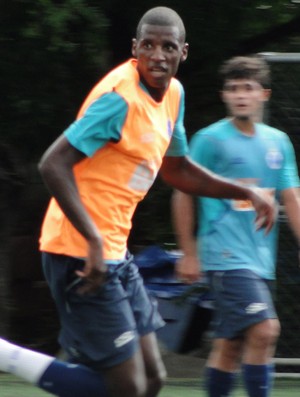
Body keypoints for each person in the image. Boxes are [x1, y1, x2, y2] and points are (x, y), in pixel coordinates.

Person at [0, 10, 275, 397]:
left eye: (168, 47)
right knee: (127, 388)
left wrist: (245, 191)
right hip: (77, 251)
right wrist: (93, 241)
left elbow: (177, 170)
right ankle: (5, 355)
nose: (157, 56)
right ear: (135, 49)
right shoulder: (119, 100)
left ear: (183, 52)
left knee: (152, 381)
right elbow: (53, 164)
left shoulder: (173, 94)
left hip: (114, 250)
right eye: (148, 45)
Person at [172, 55, 300, 397]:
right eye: (233, 89)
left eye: (248, 88)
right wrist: (189, 252)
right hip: (225, 256)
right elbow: (183, 193)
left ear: (264, 95)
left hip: (260, 261)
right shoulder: (209, 140)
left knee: (229, 347)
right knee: (265, 330)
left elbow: (292, 199)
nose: (241, 95)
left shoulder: (278, 142)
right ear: (224, 95)